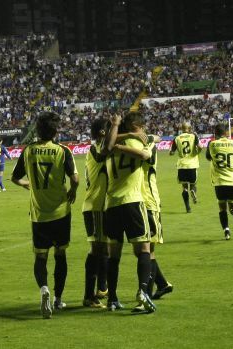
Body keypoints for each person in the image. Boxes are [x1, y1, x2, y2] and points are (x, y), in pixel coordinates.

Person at [11, 112, 79, 319]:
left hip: (39, 213)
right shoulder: (62, 151)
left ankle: (44, 290)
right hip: (60, 211)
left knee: (41, 256)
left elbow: (15, 178)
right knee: (60, 254)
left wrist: (27, 185)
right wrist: (73, 191)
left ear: (38, 130)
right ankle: (58, 299)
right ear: (56, 131)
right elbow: (75, 179)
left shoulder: (29, 151)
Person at [102, 112, 156, 313]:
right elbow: (146, 155)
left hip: (112, 204)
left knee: (113, 254)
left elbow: (107, 145)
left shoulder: (108, 148)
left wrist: (118, 142)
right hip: (133, 202)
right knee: (144, 249)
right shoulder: (137, 144)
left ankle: (112, 298)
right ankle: (143, 294)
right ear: (136, 126)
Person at [141, 133, 173, 302]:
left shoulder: (148, 147)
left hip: (149, 203)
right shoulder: (146, 143)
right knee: (142, 250)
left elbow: (154, 139)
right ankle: (162, 284)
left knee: (148, 250)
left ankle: (148, 294)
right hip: (140, 202)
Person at [81, 118, 110, 309]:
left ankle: (101, 288)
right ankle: (89, 295)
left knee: (104, 249)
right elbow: (103, 155)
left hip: (101, 206)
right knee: (96, 249)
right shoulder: (96, 148)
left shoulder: (97, 147)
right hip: (95, 206)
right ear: (102, 133)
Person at [206, 124, 233, 240]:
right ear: (226, 132)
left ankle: (226, 231)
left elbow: (208, 157)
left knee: (222, 208)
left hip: (220, 182)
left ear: (215, 133)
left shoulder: (212, 144)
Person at [170, 122, 201, 213]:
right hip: (192, 164)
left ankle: (188, 208)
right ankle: (193, 190)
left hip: (181, 165)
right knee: (193, 184)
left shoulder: (176, 138)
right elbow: (200, 147)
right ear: (189, 128)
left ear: (181, 129)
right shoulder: (193, 136)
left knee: (184, 187)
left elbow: (172, 152)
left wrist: (171, 152)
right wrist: (196, 153)